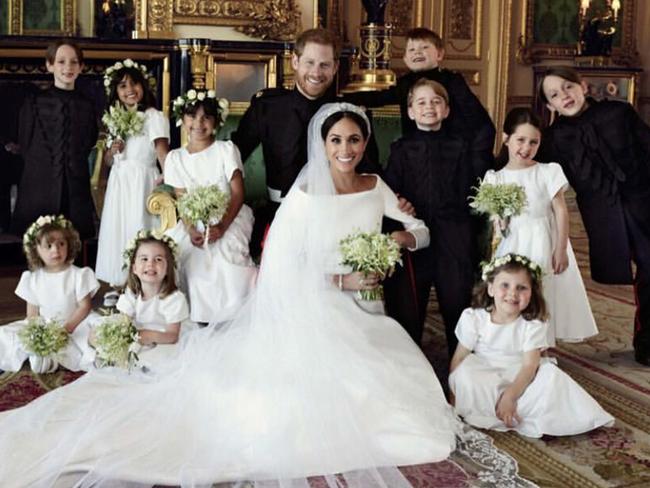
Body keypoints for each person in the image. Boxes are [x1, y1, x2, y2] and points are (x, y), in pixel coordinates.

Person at [0, 103, 458, 487]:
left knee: (400, 394)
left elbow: (420, 229)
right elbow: (283, 264)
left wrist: (398, 242)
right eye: (336, 140)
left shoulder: (374, 186)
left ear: (365, 143)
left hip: (368, 304)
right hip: (315, 304)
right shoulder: (304, 194)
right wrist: (342, 281)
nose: (345, 149)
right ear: (323, 144)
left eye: (354, 140)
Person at [230, 28, 381, 254]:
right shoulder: (267, 108)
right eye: (309, 63)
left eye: (324, 65)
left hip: (337, 217)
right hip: (280, 214)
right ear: (295, 61)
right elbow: (233, 155)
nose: (316, 72)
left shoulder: (350, 113)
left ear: (335, 67)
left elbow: (370, 169)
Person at [537, 66, 650, 366]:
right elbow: (531, 166)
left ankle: (646, 341)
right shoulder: (554, 138)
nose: (564, 95)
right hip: (605, 216)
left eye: (568, 87)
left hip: (643, 201)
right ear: (550, 106)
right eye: (554, 95)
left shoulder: (619, 113)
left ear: (583, 86)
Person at [449, 253, 614, 438]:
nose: (513, 293)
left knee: (551, 376)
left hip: (520, 377)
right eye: (505, 285)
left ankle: (513, 408)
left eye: (521, 288)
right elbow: (459, 358)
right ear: (490, 289)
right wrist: (454, 394)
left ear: (532, 293)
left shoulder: (532, 325)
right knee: (465, 373)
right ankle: (491, 409)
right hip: (485, 374)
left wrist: (511, 395)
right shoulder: (474, 318)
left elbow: (529, 366)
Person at [384, 79, 487, 354]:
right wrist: (399, 202)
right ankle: (408, 363)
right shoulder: (401, 149)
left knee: (456, 300)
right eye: (421, 102)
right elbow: (390, 190)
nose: (429, 107)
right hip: (414, 233)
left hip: (453, 233)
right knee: (407, 306)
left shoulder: (461, 147)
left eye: (436, 101)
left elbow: (472, 189)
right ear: (410, 111)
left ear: (446, 110)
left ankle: (460, 362)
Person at [484, 107, 597, 345]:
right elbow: (496, 220)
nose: (526, 148)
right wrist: (499, 221)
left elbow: (561, 211)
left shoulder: (547, 171)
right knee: (514, 291)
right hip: (513, 242)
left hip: (544, 239)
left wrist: (560, 248)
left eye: (533, 142)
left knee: (544, 290)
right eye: (520, 140)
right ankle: (518, 344)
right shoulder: (495, 177)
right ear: (506, 138)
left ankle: (542, 347)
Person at [343, 27, 495, 169]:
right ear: (405, 58)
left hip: (452, 151)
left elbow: (477, 118)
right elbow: (377, 98)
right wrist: (343, 98)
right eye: (412, 49)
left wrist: (471, 154)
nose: (417, 52)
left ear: (440, 54)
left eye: (424, 48)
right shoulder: (404, 83)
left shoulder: (452, 81)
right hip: (416, 152)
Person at [165, 89, 256, 323]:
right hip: (194, 220)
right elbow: (182, 200)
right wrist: (190, 229)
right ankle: (198, 315)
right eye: (192, 116)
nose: (198, 123)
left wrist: (222, 226)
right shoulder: (175, 158)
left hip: (229, 216)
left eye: (206, 117)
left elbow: (237, 194)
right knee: (188, 255)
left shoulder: (226, 150)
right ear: (182, 120)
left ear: (216, 121)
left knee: (225, 256)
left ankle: (233, 314)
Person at [11, 40, 99, 240]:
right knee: (39, 241)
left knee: (74, 239)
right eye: (61, 62)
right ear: (49, 65)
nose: (68, 67)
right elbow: (24, 143)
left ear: (81, 67)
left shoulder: (87, 105)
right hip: (39, 184)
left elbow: (88, 142)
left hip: (75, 186)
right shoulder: (33, 102)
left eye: (74, 62)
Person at [95, 59, 170, 288]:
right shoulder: (114, 120)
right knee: (118, 230)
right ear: (115, 92)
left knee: (138, 226)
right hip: (120, 183)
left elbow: (162, 153)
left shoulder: (153, 116)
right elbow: (109, 160)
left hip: (142, 182)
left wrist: (168, 182)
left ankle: (143, 283)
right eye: (123, 86)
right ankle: (119, 283)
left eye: (134, 84)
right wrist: (112, 151)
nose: (130, 91)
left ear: (143, 87)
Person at [0, 215, 99, 373]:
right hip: (47, 326)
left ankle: (52, 359)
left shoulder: (79, 275)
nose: (56, 250)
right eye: (49, 245)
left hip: (75, 324)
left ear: (69, 245)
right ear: (36, 249)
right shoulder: (33, 279)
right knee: (5, 334)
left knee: (94, 335)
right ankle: (45, 356)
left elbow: (84, 307)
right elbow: (32, 314)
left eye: (61, 244)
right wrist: (40, 334)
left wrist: (66, 329)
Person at [93, 230, 195, 369]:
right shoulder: (132, 294)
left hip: (164, 339)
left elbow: (172, 336)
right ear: (134, 268)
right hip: (140, 336)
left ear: (167, 269)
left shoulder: (173, 299)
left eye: (158, 259)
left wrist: (147, 335)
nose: (150, 264)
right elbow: (124, 321)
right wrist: (119, 338)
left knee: (153, 360)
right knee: (96, 334)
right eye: (144, 259)